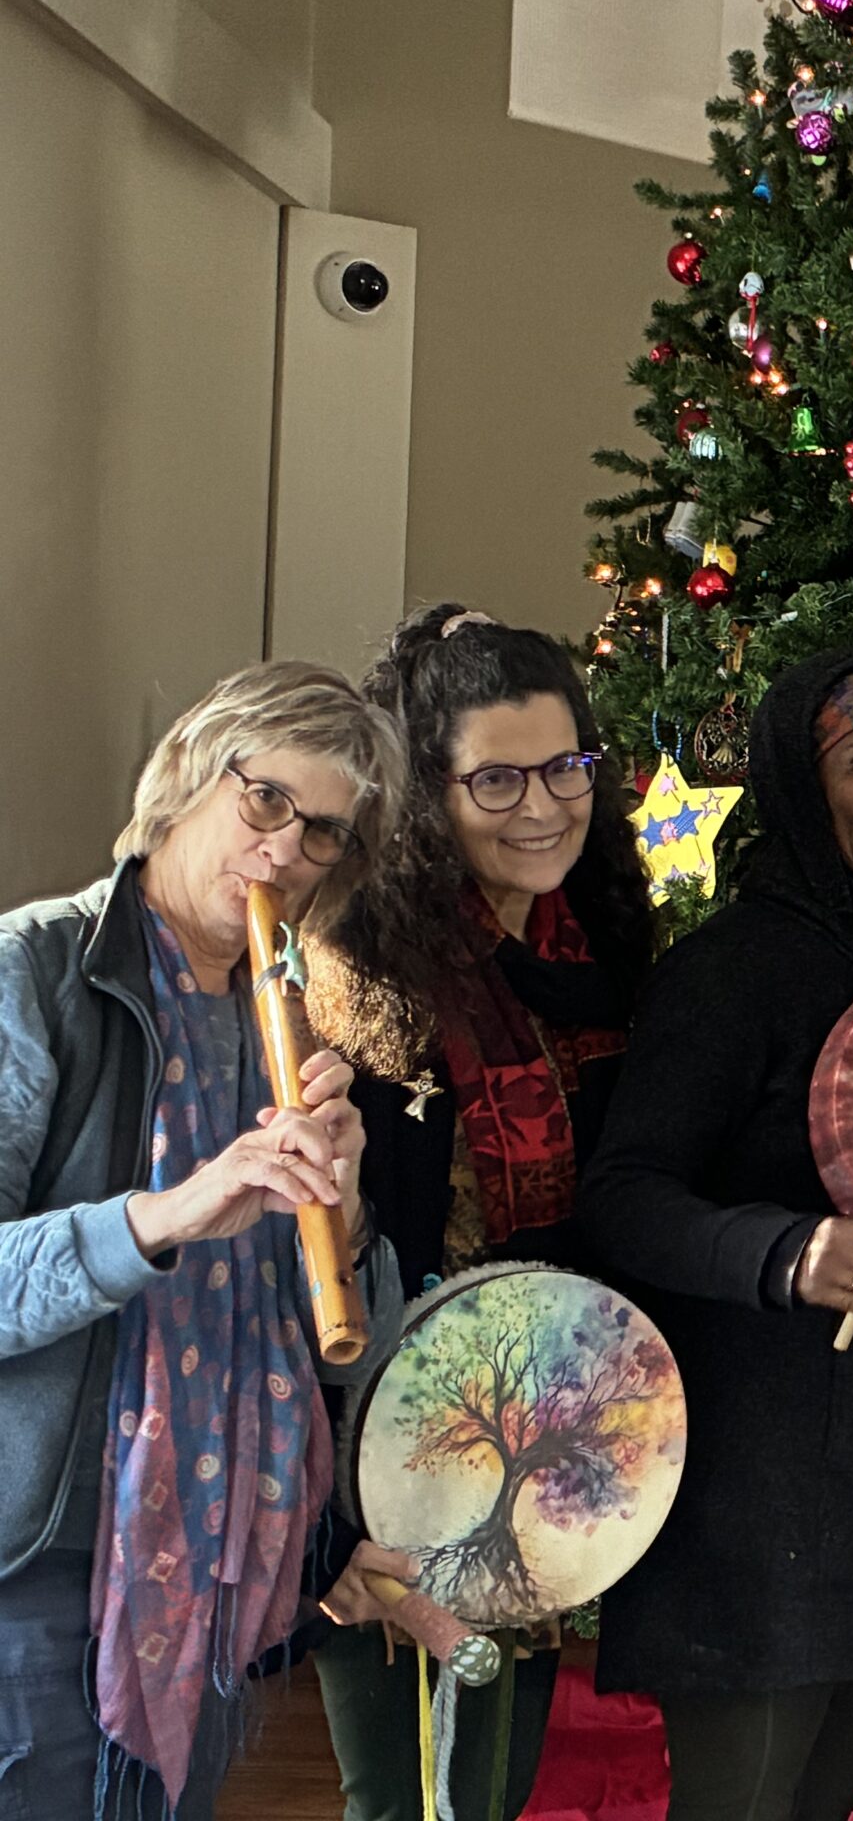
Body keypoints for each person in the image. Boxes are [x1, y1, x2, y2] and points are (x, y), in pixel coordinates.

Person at [0, 660, 412, 1819]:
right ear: (189, 773)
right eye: (267, 801)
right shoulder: (34, 970)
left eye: (324, 832)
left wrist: (349, 1199)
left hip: (228, 1565)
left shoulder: (283, 1018)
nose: (285, 852)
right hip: (44, 1562)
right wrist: (175, 1213)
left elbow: (345, 1333)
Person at [577, 648, 853, 1821]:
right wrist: (787, 1253)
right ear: (800, 783)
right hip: (745, 1500)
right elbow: (622, 1197)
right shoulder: (726, 971)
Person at [302, 605, 655, 1821]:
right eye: (496, 778)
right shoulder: (363, 959)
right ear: (428, 791)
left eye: (565, 768)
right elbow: (331, 1230)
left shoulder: (601, 939)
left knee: (493, 1785)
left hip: (560, 1408)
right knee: (405, 1793)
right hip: (396, 1415)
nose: (544, 805)